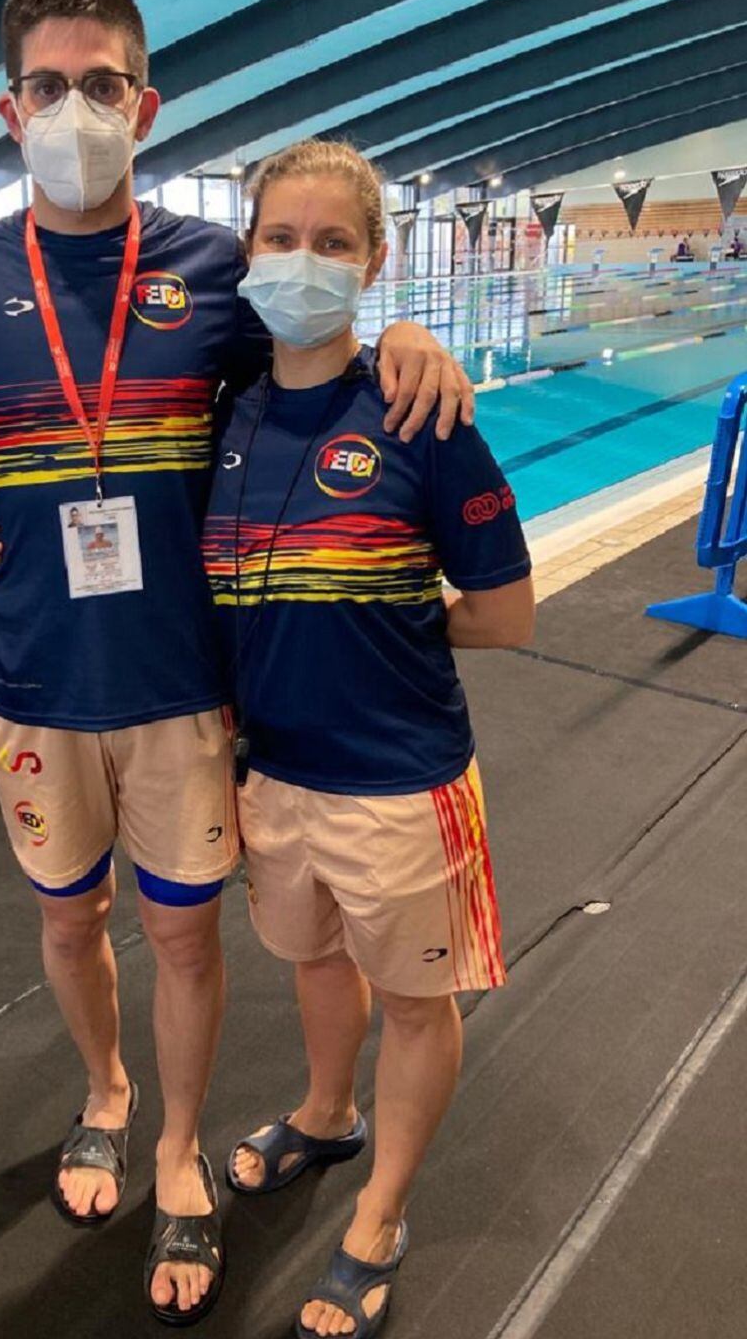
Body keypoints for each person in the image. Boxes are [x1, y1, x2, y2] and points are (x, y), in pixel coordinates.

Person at [0, 0, 471, 1326]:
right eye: (50, 87)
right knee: (67, 919)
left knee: (188, 945)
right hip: (31, 681)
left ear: (148, 100)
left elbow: (323, 383)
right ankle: (107, 1095)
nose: (79, 106)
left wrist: (416, 333)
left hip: (189, 689)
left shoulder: (214, 267)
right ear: (10, 113)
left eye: (105, 83)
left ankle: (180, 1149)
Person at [200, 141, 534, 1338]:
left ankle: (381, 1211)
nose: (302, 261)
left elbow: (505, 610)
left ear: (375, 261)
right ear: (248, 253)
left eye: (331, 242)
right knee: (314, 959)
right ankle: (328, 1113)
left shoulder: (419, 409)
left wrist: (388, 618)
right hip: (274, 776)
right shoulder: (227, 418)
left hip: (400, 780)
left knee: (412, 999)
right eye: (279, 238)